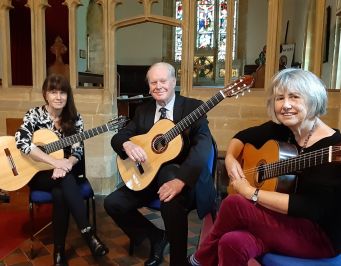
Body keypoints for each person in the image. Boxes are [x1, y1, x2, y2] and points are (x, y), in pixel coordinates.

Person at [188, 68, 341, 265]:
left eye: (294, 97)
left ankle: (200, 259)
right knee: (231, 242)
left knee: (235, 203)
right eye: (279, 98)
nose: (285, 105)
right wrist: (231, 159)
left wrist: (252, 193)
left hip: (320, 236)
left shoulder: (334, 147)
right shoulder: (282, 130)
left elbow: (312, 207)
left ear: (313, 99)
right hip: (282, 220)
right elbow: (242, 137)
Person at [104, 62, 215, 266]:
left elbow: (203, 148)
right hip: (149, 178)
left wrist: (181, 180)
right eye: (153, 82)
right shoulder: (143, 111)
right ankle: (155, 236)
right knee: (112, 203)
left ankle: (178, 261)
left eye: (163, 81)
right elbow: (118, 138)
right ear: (148, 87)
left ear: (174, 82)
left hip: (183, 182)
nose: (158, 86)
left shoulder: (193, 107)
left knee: (170, 183)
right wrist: (127, 145)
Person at [15, 74, 108, 266]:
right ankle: (88, 234)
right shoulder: (34, 115)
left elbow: (77, 151)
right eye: (53, 92)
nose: (58, 97)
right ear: (45, 94)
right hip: (37, 173)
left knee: (60, 191)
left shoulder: (74, 118)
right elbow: (22, 142)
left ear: (68, 95)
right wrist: (54, 162)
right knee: (65, 180)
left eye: (62, 92)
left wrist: (66, 164)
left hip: (63, 172)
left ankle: (58, 252)